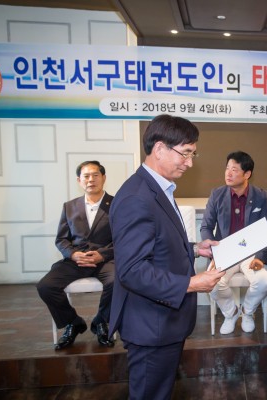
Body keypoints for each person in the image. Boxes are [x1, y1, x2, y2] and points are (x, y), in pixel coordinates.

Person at [109, 114, 225, 400]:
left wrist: (196, 248)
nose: (189, 163)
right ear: (160, 149)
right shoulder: (137, 197)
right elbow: (133, 270)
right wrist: (193, 283)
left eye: (193, 154)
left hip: (162, 321)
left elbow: (157, 242)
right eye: (185, 153)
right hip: (151, 324)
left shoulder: (157, 188)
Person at [37, 160, 116, 350]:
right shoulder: (69, 206)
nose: (91, 180)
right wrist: (73, 254)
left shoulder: (117, 204)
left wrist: (102, 254)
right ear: (79, 181)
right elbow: (61, 239)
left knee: (117, 281)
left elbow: (124, 239)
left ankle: (101, 322)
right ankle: (73, 322)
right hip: (76, 260)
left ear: (103, 178)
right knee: (45, 286)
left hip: (105, 260)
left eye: (95, 175)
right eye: (86, 176)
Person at [201, 151, 267, 334]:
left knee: (263, 281)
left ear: (247, 174)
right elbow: (206, 226)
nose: (228, 173)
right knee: (212, 283)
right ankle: (231, 313)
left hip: (251, 252)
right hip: (225, 251)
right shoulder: (217, 194)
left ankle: (247, 312)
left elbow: (266, 231)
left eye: (234, 169)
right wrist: (213, 252)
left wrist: (260, 257)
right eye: (227, 168)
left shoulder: (261, 196)